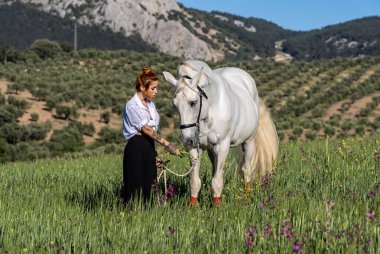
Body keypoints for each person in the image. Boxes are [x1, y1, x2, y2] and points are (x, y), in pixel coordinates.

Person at [122, 66, 181, 203]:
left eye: (156, 88)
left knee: (150, 184)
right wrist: (168, 144)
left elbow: (150, 134)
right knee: (135, 187)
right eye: (153, 88)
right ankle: (132, 216)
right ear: (143, 87)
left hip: (148, 145)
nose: (156, 91)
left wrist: (153, 154)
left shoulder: (150, 104)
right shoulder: (132, 106)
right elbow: (146, 130)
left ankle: (146, 215)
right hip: (136, 146)